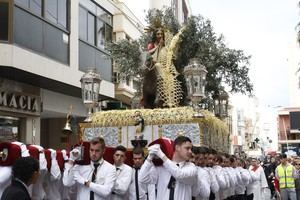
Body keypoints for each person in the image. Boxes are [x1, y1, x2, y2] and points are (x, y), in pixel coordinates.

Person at [139, 135, 197, 200]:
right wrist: (149, 158)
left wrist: (161, 155)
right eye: (187, 148)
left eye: (191, 149)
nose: (190, 152)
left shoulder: (191, 167)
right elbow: (142, 179)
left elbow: (179, 174)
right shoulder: (161, 166)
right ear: (177, 147)